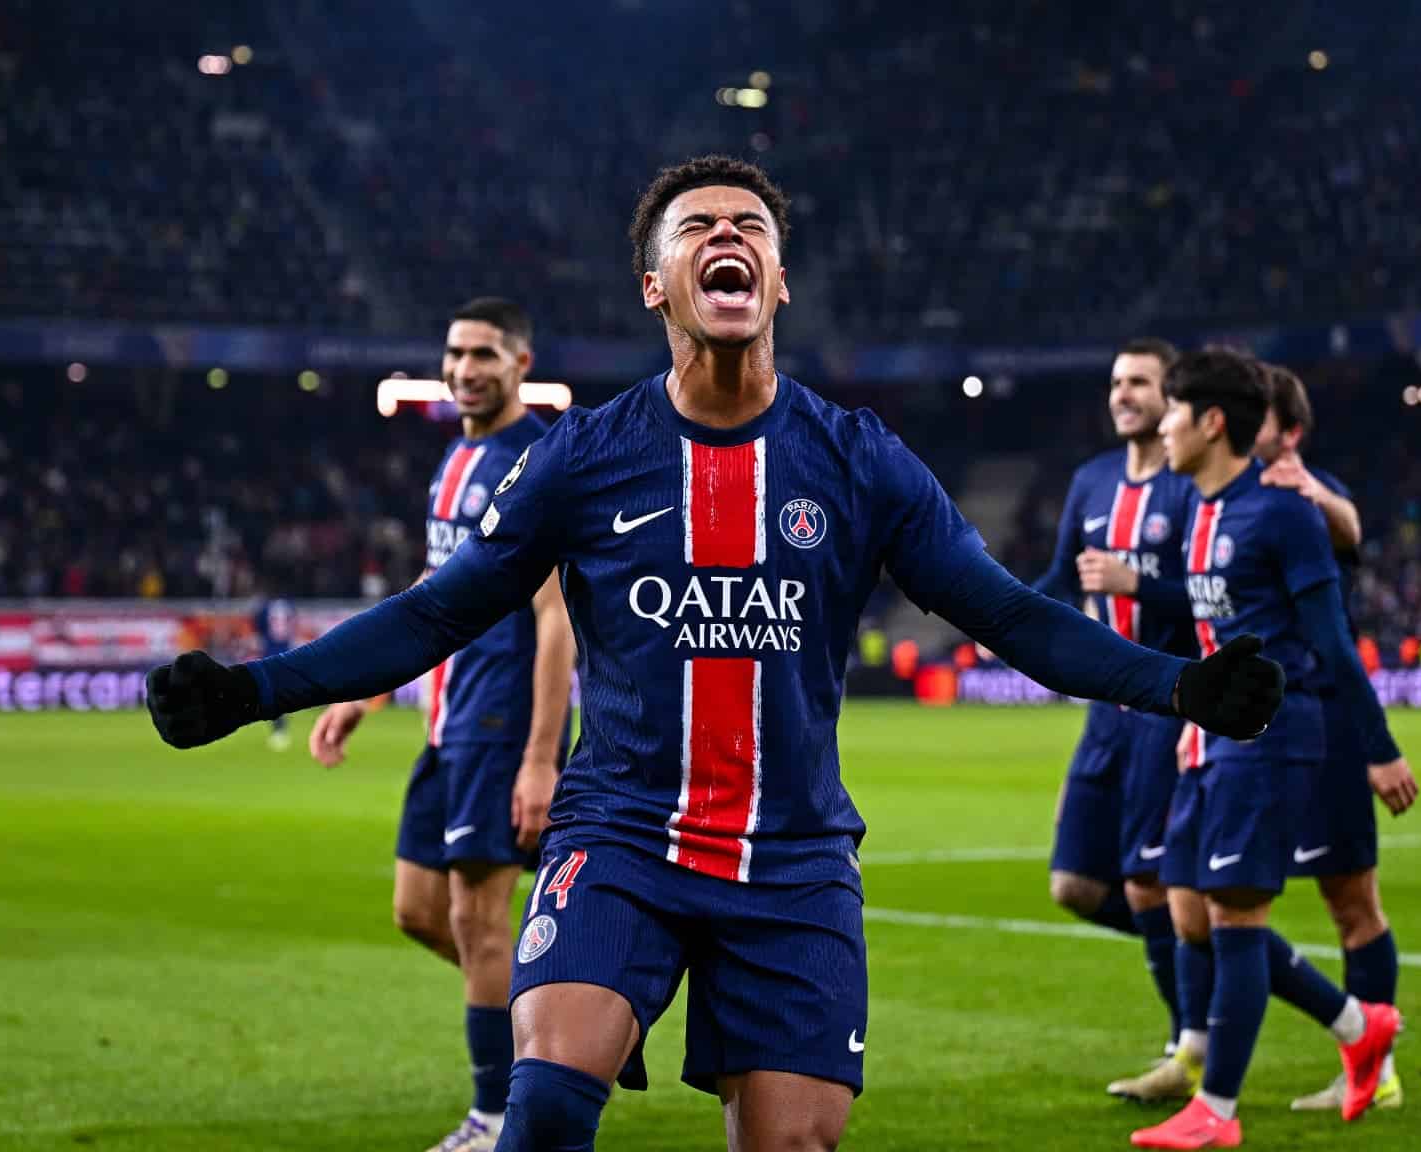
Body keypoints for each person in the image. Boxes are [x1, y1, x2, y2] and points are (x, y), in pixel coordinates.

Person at [143, 156, 1286, 1152]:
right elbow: (436, 613)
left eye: (750, 227)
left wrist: (1180, 684)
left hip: (791, 859)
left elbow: (1010, 616)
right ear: (656, 285)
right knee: (545, 1108)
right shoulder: (584, 456)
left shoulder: (858, 460)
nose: (725, 235)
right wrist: (254, 690)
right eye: (696, 226)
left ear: (778, 280)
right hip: (621, 835)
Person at [308, 298, 576, 1152]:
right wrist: (365, 690)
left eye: (484, 354)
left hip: (501, 723)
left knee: (478, 922)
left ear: (521, 363)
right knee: (417, 910)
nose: (464, 369)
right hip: (448, 720)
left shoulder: (533, 462)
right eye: (455, 353)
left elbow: (557, 621)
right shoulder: (454, 460)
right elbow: (435, 600)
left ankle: (496, 1117)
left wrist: (540, 758)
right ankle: (564, 1029)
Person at [1131, 349, 1403, 1150]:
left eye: (1174, 411)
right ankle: (1357, 1025)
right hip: (1213, 734)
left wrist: (1380, 749)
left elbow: (1333, 642)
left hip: (1274, 732)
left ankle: (1216, 1111)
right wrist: (1193, 716)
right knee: (1189, 910)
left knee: (1237, 913)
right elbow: (1211, 631)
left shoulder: (1282, 513)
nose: (1163, 425)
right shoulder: (1200, 507)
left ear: (1213, 422)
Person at [1030, 337, 1205, 1101]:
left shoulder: (1191, 485)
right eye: (1115, 382)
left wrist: (1140, 584)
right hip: (1106, 713)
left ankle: (1186, 1043)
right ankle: (1215, 956)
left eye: (1139, 382)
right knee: (1073, 884)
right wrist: (990, 610)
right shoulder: (1092, 480)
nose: (1122, 394)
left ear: (1170, 397)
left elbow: (1215, 592)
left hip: (1167, 706)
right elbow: (1057, 577)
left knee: (1145, 884)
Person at [1249, 365, 1418, 1114]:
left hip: (1321, 716)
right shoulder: (1223, 499)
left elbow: (1351, 527)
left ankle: (1375, 1071)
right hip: (1250, 720)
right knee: (1207, 900)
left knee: (1351, 901)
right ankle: (1194, 1052)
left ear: (1290, 434)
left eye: (1256, 415)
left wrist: (1314, 492)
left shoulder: (1307, 497)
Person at [251, 592, 298, 750]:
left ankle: (279, 730)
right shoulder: (289, 606)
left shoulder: (266, 608)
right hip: (288, 652)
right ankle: (280, 728)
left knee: (273, 693)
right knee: (279, 692)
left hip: (270, 653)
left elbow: (258, 626)